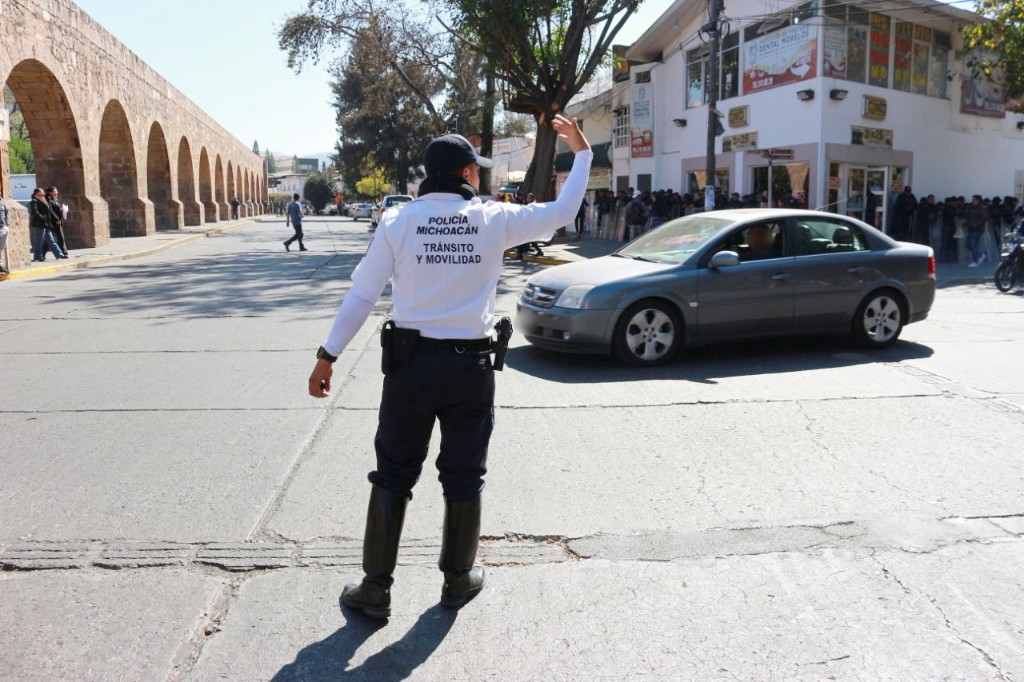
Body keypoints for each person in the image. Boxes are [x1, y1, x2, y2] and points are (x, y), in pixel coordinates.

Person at [307, 115, 592, 619]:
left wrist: (328, 355)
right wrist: (581, 152)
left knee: (393, 473)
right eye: (477, 170)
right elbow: (564, 211)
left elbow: (362, 294)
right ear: (465, 173)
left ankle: (375, 589)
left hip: (410, 368)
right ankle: (457, 580)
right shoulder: (494, 218)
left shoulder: (398, 221)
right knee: (463, 475)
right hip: (470, 369)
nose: (480, 177)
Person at [30, 188, 65, 261]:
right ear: (37, 193)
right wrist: (43, 218)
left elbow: (49, 210)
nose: (43, 193)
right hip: (39, 224)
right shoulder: (34, 201)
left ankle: (59, 254)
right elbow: (35, 212)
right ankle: (37, 257)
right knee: (39, 241)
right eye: (41, 192)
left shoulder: (43, 199)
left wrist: (54, 219)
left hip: (47, 224)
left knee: (51, 239)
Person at [965, 194, 988, 267]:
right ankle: (981, 255)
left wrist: (976, 224)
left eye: (974, 200)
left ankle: (975, 261)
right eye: (972, 200)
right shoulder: (970, 207)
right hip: (970, 228)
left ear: (978, 201)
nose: (973, 201)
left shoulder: (982, 208)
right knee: (967, 244)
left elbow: (985, 218)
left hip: (978, 229)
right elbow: (968, 216)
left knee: (974, 244)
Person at [46, 187, 68, 256]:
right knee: (60, 237)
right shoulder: (49, 200)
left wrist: (62, 210)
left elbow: (56, 209)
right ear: (50, 193)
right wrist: (57, 219)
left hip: (57, 221)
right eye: (55, 191)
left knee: (50, 239)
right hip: (54, 222)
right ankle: (64, 252)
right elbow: (50, 210)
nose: (56, 193)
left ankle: (41, 254)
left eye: (56, 191)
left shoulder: (55, 199)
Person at [0, 191, 9, 274]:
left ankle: (0, 265)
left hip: (3, 228)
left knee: (1, 248)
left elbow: (6, 213)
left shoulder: (2, 201)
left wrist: (7, 225)